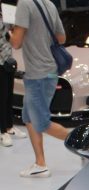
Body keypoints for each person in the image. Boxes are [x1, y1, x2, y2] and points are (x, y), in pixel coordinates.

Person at [9, 0, 69, 178]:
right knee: (28, 117)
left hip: (38, 75)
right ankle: (40, 163)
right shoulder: (49, 4)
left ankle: (82, 140)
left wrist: (9, 33)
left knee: (41, 123)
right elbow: (62, 38)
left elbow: (16, 43)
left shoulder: (24, 4)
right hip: (48, 71)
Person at [0, 5, 26, 148]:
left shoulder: (5, 11)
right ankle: (2, 131)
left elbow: (10, 34)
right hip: (1, 61)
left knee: (8, 95)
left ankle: (9, 126)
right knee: (2, 97)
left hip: (8, 60)